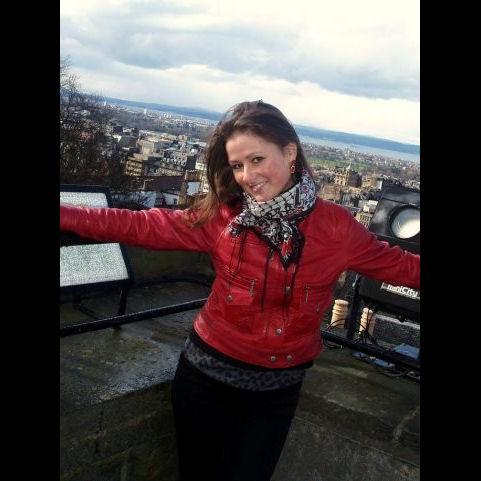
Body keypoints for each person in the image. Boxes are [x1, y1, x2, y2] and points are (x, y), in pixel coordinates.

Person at [60, 100, 420, 481]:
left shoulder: (337, 228)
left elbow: (402, 266)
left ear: (290, 152)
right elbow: (141, 225)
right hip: (203, 378)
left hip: (275, 394)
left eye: (257, 159)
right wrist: (66, 213)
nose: (247, 176)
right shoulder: (223, 218)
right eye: (237, 165)